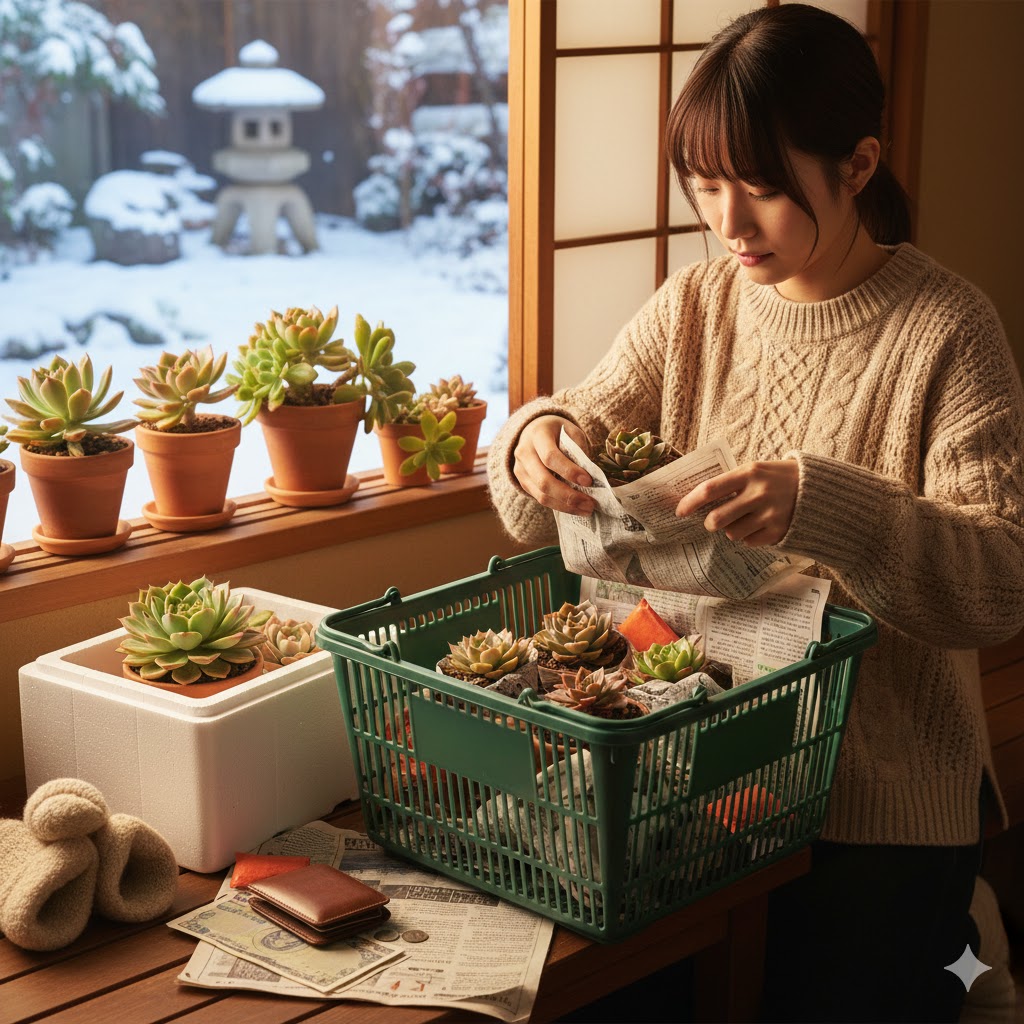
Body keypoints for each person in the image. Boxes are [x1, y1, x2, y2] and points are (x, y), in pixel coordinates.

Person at [486, 3, 1024, 1021]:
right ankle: (966, 947)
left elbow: (999, 587)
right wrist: (533, 441)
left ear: (858, 165)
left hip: (879, 795)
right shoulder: (696, 306)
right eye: (704, 185)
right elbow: (533, 493)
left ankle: (964, 946)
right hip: (695, 774)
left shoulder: (949, 329)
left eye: (763, 188)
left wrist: (825, 505)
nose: (728, 222)